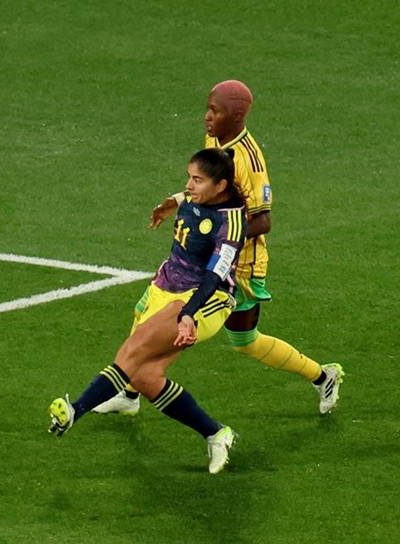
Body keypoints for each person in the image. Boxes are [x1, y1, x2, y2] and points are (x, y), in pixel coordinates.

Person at [93, 80, 343, 417]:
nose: (207, 117)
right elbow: (212, 189)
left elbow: (263, 220)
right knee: (148, 310)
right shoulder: (216, 138)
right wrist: (179, 200)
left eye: (215, 111)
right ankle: (131, 392)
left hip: (240, 266)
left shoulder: (249, 162)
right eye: (208, 108)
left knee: (245, 341)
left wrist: (218, 239)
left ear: (236, 116)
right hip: (207, 258)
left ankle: (322, 375)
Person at [48, 147, 248, 474]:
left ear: (221, 186)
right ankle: (215, 433)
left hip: (203, 300)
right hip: (164, 287)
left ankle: (75, 410)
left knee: (134, 350)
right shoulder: (198, 196)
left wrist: (188, 314)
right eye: (189, 177)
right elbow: (188, 196)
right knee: (144, 375)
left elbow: (215, 274)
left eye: (197, 180)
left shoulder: (232, 222)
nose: (189, 185)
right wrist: (173, 201)